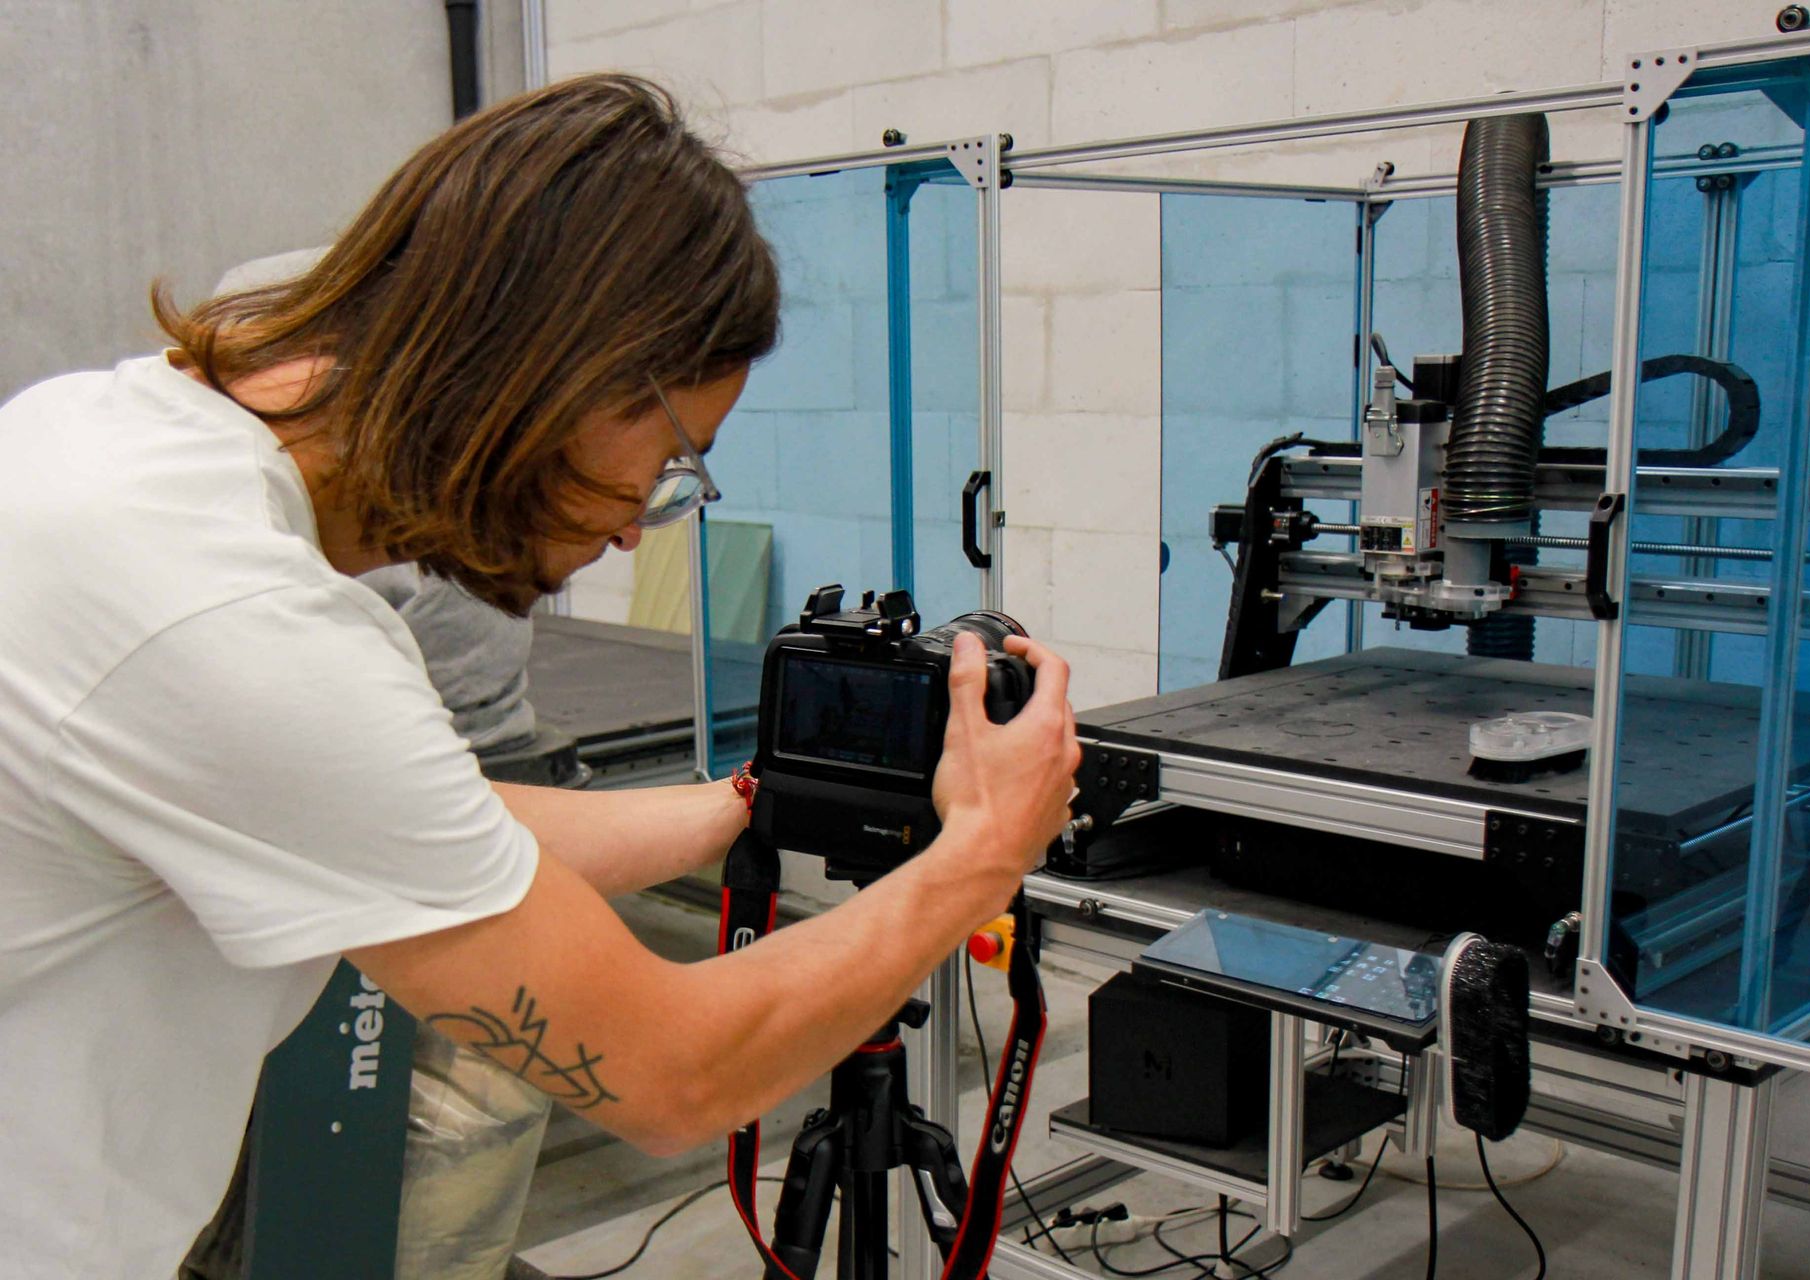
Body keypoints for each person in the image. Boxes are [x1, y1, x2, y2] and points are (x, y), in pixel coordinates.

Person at [0, 74, 1079, 1278]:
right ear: (558, 367)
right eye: (673, 457)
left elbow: (415, 819)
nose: (639, 528)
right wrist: (984, 849)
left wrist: (750, 805)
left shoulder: (102, 434)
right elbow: (674, 1071)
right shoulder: (236, 617)